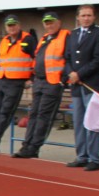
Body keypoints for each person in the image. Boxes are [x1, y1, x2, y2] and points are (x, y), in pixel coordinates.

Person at [14, 12, 71, 159]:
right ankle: (27, 145)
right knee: (33, 114)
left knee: (44, 116)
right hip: (39, 82)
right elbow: (38, 58)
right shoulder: (44, 38)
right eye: (46, 23)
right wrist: (32, 76)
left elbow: (70, 58)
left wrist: (63, 79)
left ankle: (34, 147)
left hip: (52, 83)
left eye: (51, 22)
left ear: (59, 22)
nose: (49, 25)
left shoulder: (66, 36)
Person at [0, 15, 37, 153]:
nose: (11, 28)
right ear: (6, 27)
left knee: (5, 113)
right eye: (9, 25)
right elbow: (0, 63)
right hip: (2, 81)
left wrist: (32, 78)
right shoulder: (4, 41)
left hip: (16, 82)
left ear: (19, 25)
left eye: (14, 25)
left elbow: (37, 59)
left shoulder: (28, 39)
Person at [64, 4, 99, 171]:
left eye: (89, 15)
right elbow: (67, 57)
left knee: (92, 123)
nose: (86, 18)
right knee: (78, 122)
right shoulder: (74, 34)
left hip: (90, 85)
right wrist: (71, 73)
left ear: (94, 17)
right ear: (78, 17)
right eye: (83, 15)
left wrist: (79, 74)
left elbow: (98, 60)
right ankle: (81, 155)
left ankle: (94, 158)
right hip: (76, 86)